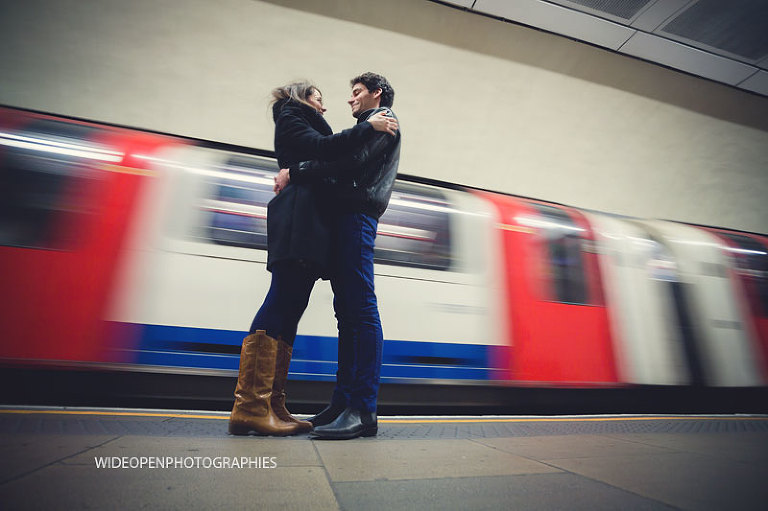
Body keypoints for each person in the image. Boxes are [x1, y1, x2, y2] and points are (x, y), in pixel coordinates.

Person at [228, 81, 398, 436]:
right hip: (309, 221)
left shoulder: (384, 118)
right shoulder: (295, 117)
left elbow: (348, 161)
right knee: (304, 305)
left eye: (356, 90)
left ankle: (283, 404)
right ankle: (259, 405)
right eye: (319, 99)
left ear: (377, 92)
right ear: (302, 99)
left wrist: (296, 171)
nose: (337, 102)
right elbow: (328, 150)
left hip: (335, 219)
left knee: (345, 309)